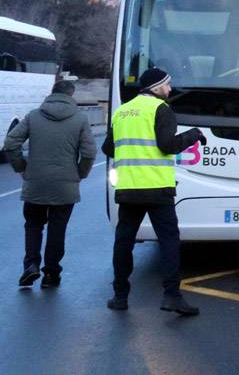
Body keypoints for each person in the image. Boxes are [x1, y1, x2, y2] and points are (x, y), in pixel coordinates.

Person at [101, 67, 205, 315]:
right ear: (156, 87)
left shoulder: (122, 111)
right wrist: (193, 134)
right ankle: (172, 295)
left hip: (128, 189)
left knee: (123, 243)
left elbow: (109, 148)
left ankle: (120, 296)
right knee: (169, 241)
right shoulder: (161, 109)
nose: (170, 90)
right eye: (167, 85)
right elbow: (168, 145)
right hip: (157, 189)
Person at [4, 79, 96, 288]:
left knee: (34, 224)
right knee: (58, 227)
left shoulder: (34, 116)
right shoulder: (80, 119)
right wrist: (79, 173)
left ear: (51, 93)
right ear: (71, 95)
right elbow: (90, 152)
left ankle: (31, 265)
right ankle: (51, 274)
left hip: (35, 182)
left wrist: (21, 167)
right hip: (65, 185)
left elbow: (11, 142)